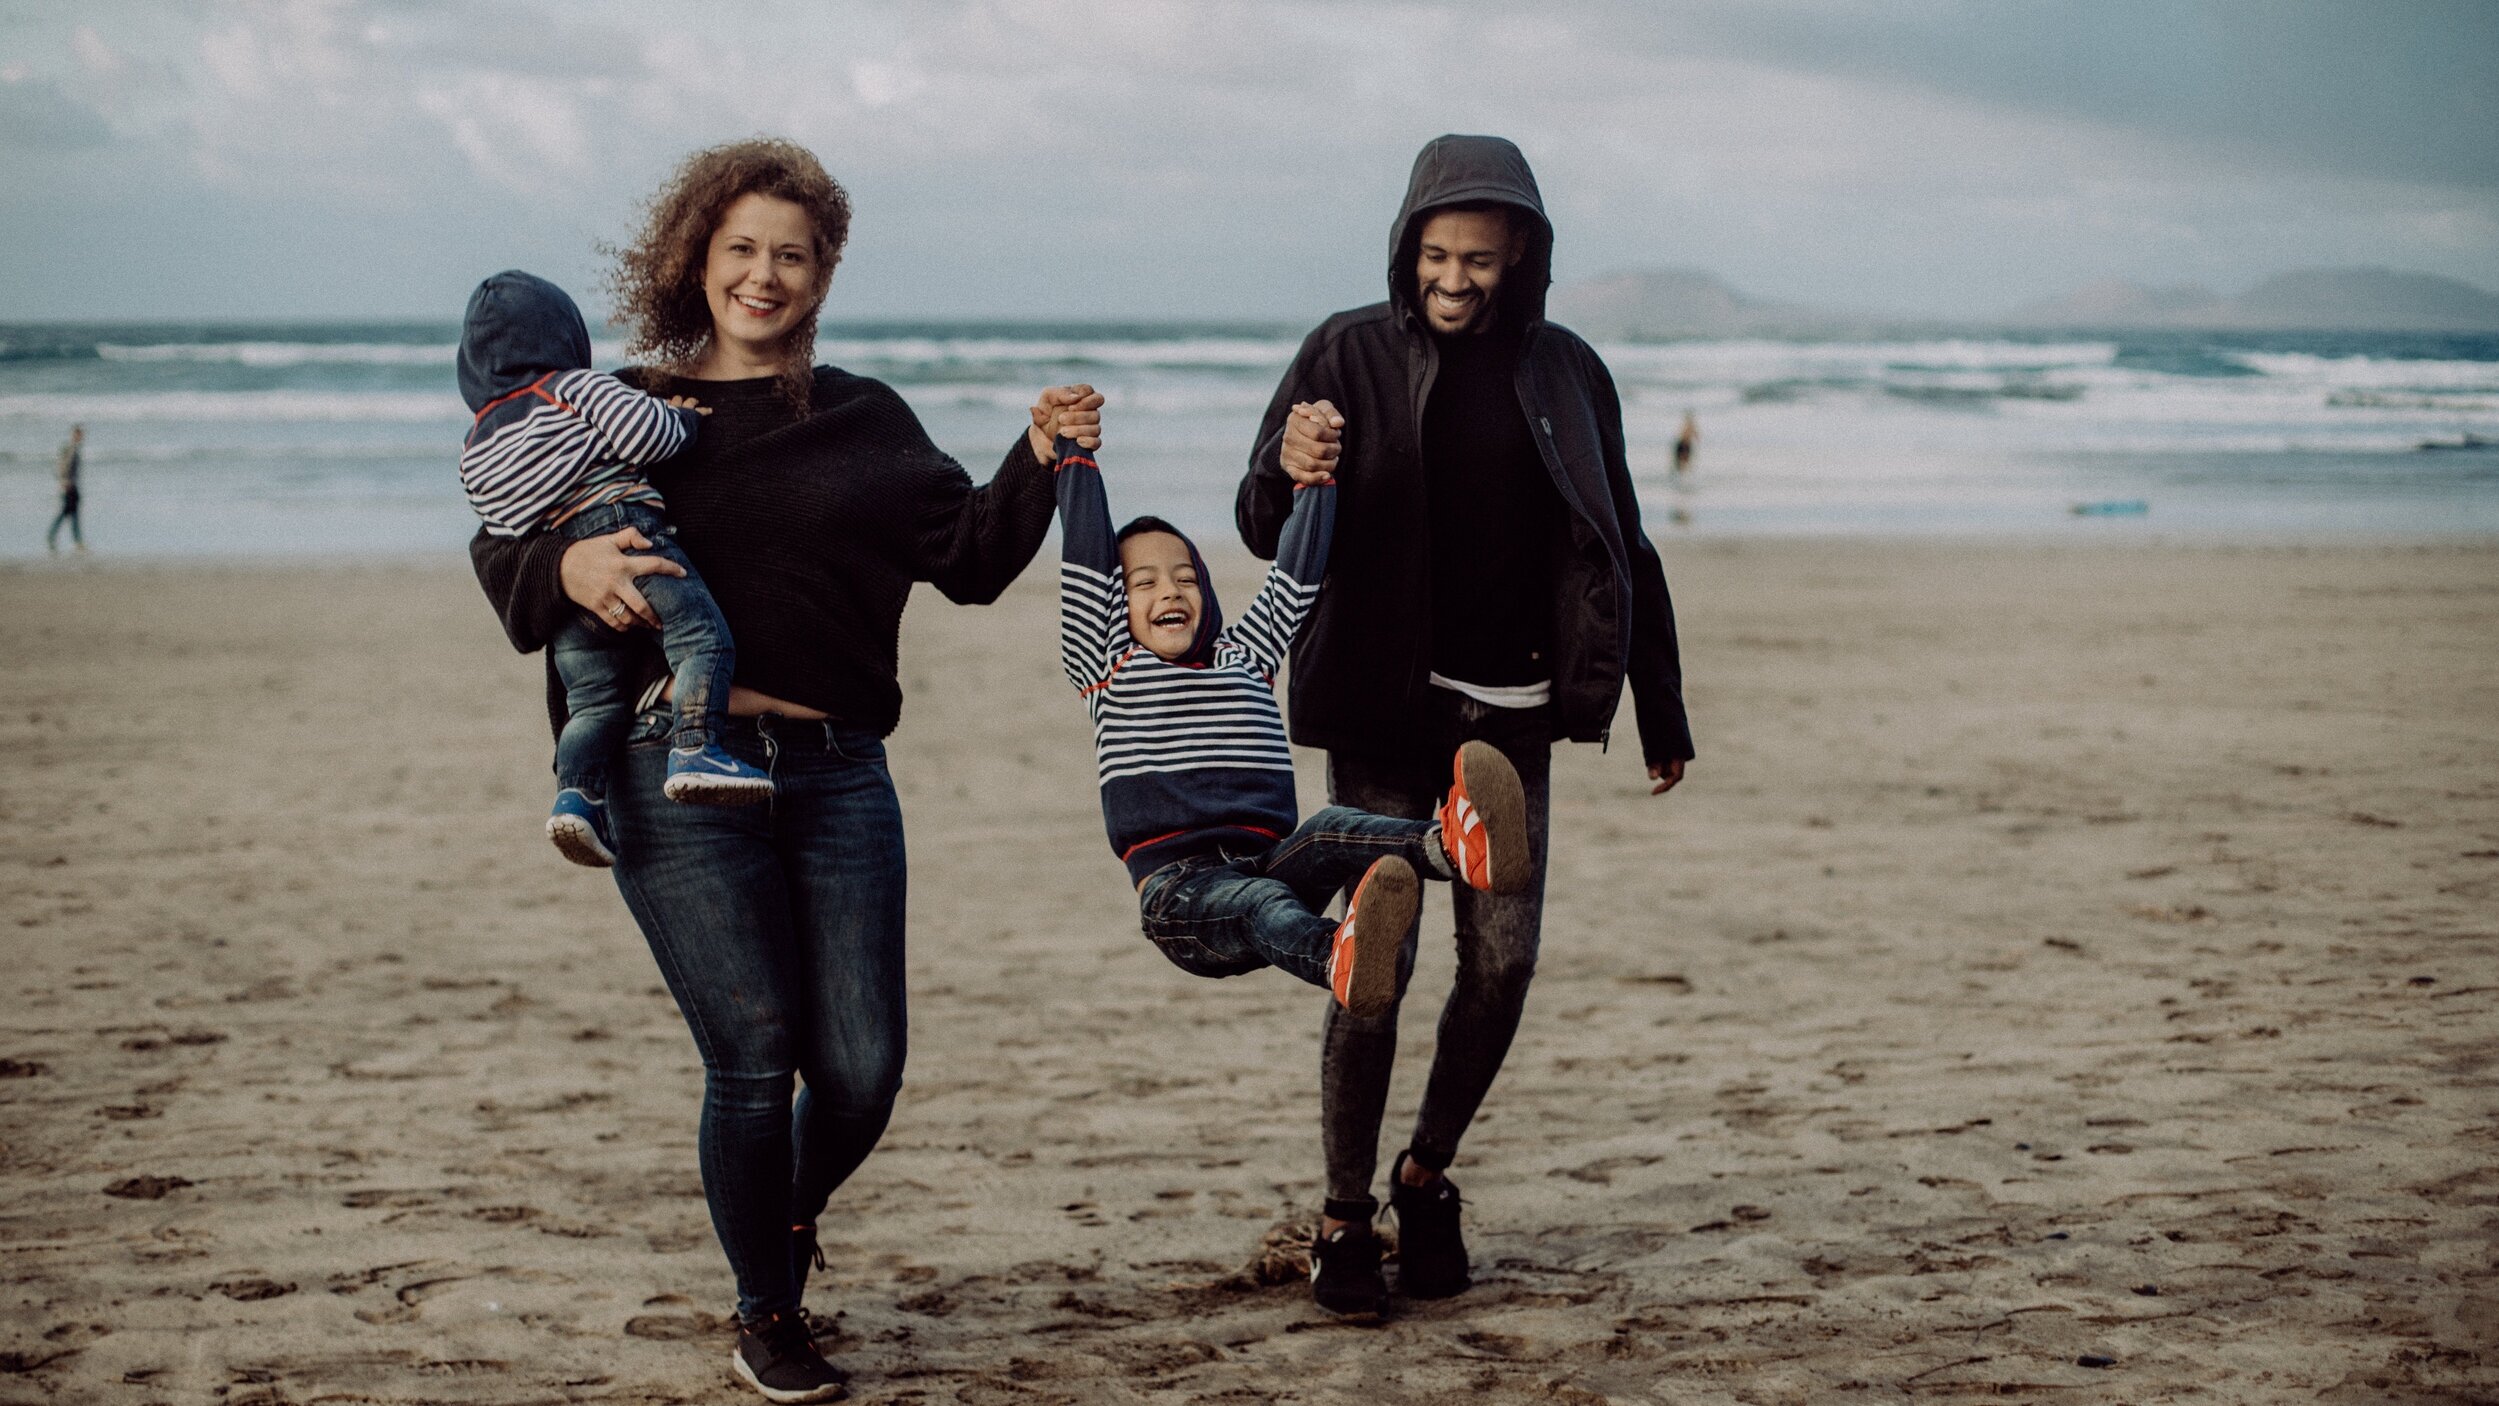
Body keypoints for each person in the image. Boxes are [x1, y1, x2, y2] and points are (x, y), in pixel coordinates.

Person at [468, 138, 1101, 1403]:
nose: (765, 275)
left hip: (837, 770)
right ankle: (768, 1307)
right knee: (755, 1050)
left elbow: (970, 556)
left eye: (792, 255)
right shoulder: (624, 402)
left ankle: (782, 1215)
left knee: (862, 1067)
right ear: (696, 259)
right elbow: (506, 531)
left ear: (825, 273)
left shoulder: (869, 418)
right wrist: (566, 574)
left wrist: (1037, 454)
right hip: (672, 764)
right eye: (742, 249)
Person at [1235, 134, 1697, 1318]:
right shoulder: (1344, 349)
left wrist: (1660, 701)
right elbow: (1256, 517)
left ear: (1524, 257)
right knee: (1374, 965)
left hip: (1515, 720)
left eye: (1480, 258)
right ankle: (1344, 1214)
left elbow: (1618, 536)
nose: (1454, 277)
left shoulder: (1568, 371)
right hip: (1383, 709)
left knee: (1503, 962)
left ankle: (1425, 1171)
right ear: (1407, 245)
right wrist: (1290, 469)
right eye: (1437, 253)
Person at [1051, 429, 1529, 1025]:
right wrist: (1076, 454)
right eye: (1142, 583)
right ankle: (1337, 955)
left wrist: (1316, 482)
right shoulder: (1107, 667)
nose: (1170, 589)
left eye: (1186, 577)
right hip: (1181, 895)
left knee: (1329, 830)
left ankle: (1457, 846)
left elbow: (1295, 578)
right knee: (1260, 901)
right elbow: (1085, 564)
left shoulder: (1245, 656)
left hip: (1270, 860)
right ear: (1115, 606)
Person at [457, 270, 773, 869]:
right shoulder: (574, 388)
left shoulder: (476, 443)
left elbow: (500, 525)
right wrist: (683, 420)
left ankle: (576, 797)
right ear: (564, 337)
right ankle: (696, 749)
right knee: (702, 637)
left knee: (596, 703)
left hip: (573, 603)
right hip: (626, 535)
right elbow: (648, 435)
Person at [46, 424, 83, 554]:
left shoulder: (74, 449)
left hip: (72, 486)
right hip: (69, 487)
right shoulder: (69, 449)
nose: (80, 437)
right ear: (74, 435)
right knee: (66, 514)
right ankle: (52, 536)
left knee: (73, 515)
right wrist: (64, 482)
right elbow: (62, 466)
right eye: (78, 435)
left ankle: (77, 542)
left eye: (81, 435)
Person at [1672, 410, 1697, 478]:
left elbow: (1696, 436)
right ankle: (1683, 476)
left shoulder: (1687, 426)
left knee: (1683, 461)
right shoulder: (1689, 426)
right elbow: (1697, 436)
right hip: (1684, 444)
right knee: (1682, 461)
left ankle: (1683, 476)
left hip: (1684, 444)